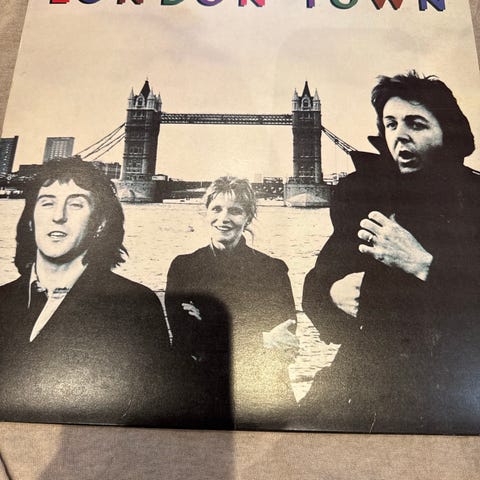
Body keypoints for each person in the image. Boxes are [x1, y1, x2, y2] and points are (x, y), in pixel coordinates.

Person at [301, 71, 480, 433]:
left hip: (450, 389)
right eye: (391, 124)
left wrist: (423, 264)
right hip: (363, 383)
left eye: (416, 124)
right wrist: (332, 292)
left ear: (448, 133)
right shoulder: (363, 194)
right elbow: (316, 284)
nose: (400, 135)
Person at [0, 157, 177, 427]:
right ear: (31, 220)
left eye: (76, 204)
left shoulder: (136, 306)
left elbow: (151, 417)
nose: (58, 215)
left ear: (100, 223)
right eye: (47, 202)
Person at [165, 176, 299, 429]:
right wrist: (262, 339)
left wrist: (208, 326)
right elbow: (188, 340)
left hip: (262, 398)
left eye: (235, 211)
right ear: (206, 213)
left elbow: (285, 343)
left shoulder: (273, 270)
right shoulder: (184, 267)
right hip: (200, 399)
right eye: (216, 209)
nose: (224, 219)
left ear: (248, 217)